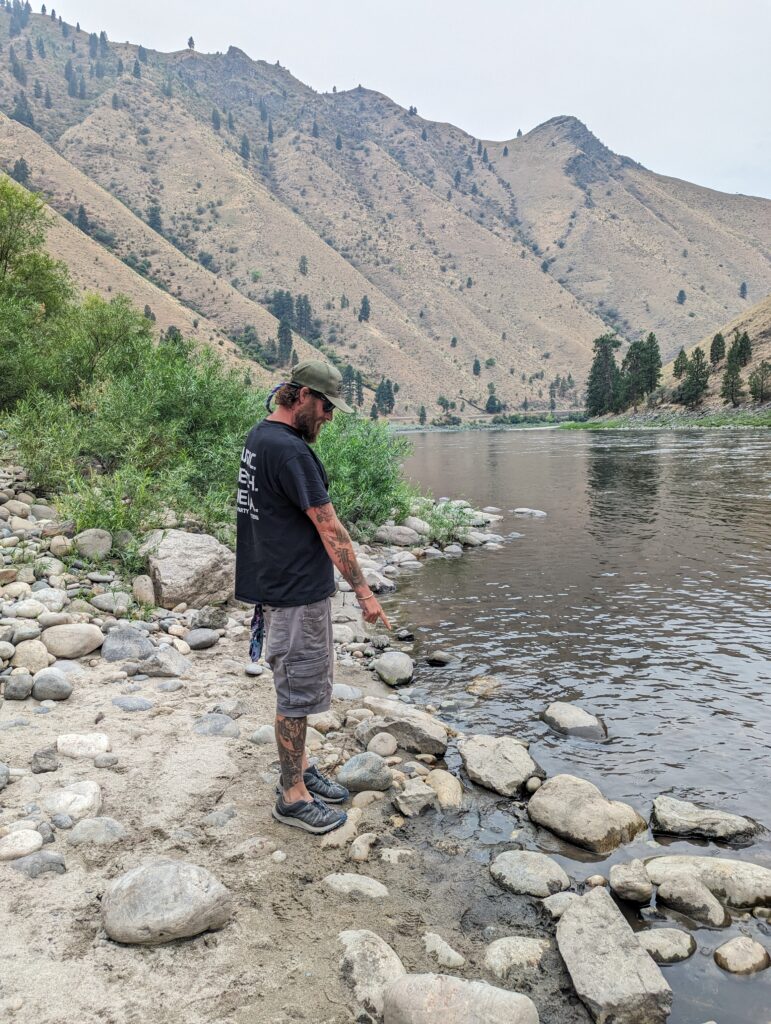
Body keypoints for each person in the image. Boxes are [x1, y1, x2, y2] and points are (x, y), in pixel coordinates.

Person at [235, 358, 391, 834]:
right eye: (325, 406)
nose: (328, 416)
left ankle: (300, 770)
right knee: (296, 697)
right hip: (294, 594)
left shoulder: (261, 437)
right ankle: (292, 796)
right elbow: (330, 527)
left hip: (279, 586)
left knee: (296, 690)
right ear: (301, 395)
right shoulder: (292, 453)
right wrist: (364, 592)